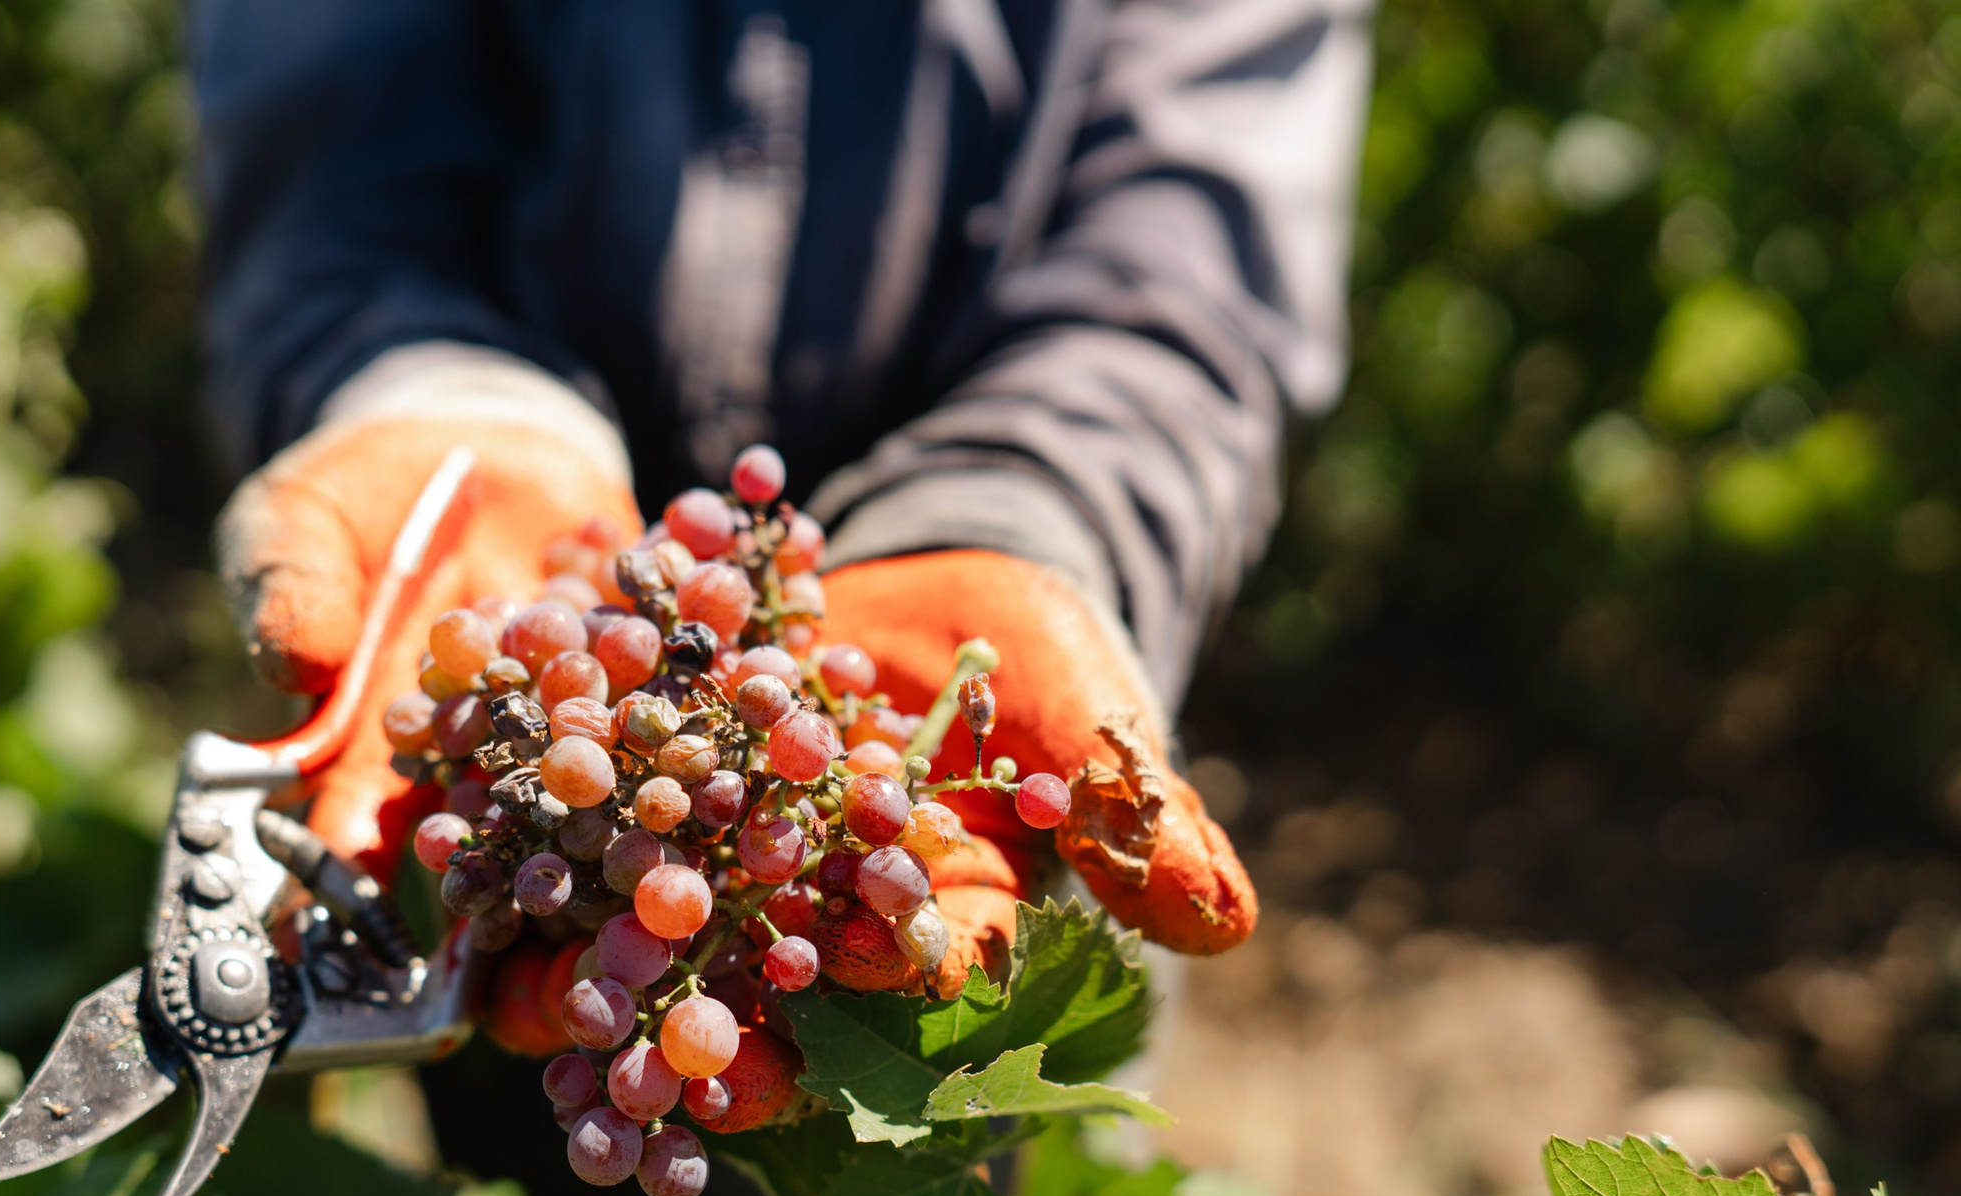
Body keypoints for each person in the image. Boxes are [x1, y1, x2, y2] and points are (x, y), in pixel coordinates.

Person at [188, 0, 1372, 999]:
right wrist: (425, 393)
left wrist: (1039, 518)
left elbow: (1188, 270)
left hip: (987, 809)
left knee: (986, 1119)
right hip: (511, 854)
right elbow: (330, 169)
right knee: (527, 1088)